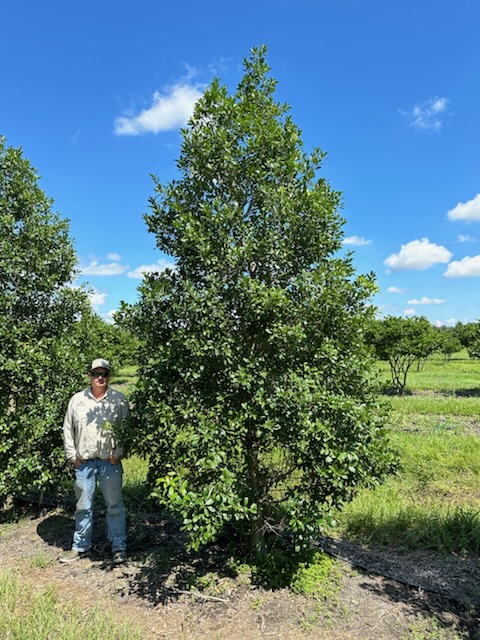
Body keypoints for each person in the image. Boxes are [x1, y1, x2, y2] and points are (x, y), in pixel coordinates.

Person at [59, 358, 130, 565]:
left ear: (109, 376)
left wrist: (117, 454)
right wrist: (72, 456)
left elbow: (126, 429)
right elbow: (67, 429)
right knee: (83, 506)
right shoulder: (77, 400)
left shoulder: (119, 399)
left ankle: (118, 546)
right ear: (89, 376)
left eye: (104, 374)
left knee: (115, 506)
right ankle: (80, 545)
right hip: (85, 463)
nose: (100, 378)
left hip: (110, 463)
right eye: (96, 374)